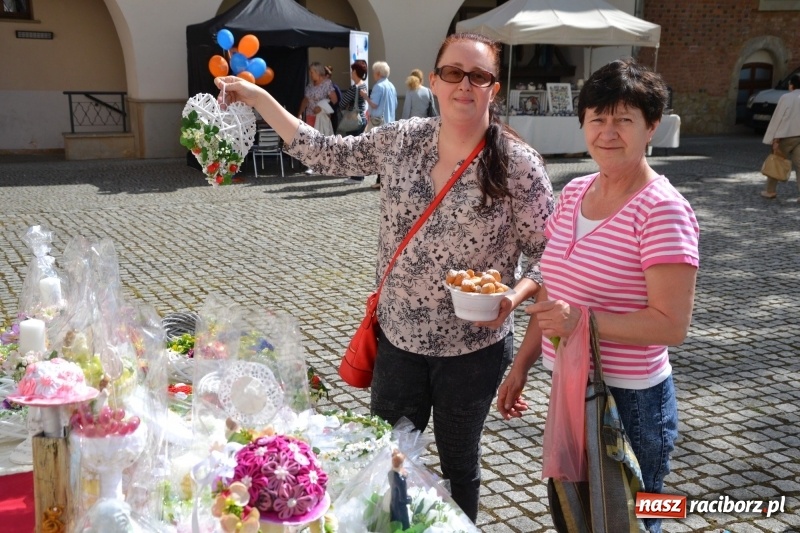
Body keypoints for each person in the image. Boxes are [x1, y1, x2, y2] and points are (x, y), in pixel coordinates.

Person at [214, 31, 553, 522]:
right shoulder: (402, 140)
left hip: (473, 349)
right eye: (454, 73)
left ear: (493, 89)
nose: (465, 85)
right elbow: (324, 151)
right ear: (435, 81)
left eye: (479, 76)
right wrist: (259, 96)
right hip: (399, 338)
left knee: (460, 462)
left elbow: (553, 253)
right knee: (388, 458)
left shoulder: (517, 164)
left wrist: (514, 295)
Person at [497, 58, 699, 533]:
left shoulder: (662, 210)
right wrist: (522, 365)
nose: (608, 132)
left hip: (630, 401)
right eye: (597, 119)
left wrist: (582, 322)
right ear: (583, 124)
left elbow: (672, 324)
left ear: (651, 127)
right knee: (578, 514)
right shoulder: (575, 191)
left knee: (635, 518)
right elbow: (553, 289)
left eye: (624, 119)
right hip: (570, 384)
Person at [760, 73, 800, 199]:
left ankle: (770, 191)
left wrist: (774, 139)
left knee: (776, 161)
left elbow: (778, 118)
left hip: (786, 136)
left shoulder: (786, 97)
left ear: (791, 85)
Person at [360, 61, 397, 189]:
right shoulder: (391, 86)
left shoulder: (378, 86)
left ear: (378, 73)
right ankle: (384, 179)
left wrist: (365, 96)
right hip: (390, 121)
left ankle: (380, 180)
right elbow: (395, 104)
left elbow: (374, 104)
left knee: (378, 151)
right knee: (386, 152)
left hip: (378, 123)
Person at [297, 62, 338, 173]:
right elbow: (306, 100)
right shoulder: (310, 86)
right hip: (310, 116)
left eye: (312, 72)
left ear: (318, 72)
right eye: (310, 72)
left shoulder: (327, 84)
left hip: (321, 117)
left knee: (323, 141)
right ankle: (312, 165)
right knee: (311, 141)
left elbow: (334, 100)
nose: (310, 74)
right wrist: (300, 113)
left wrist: (322, 107)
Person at [337, 59, 369, 183]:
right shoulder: (363, 85)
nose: (351, 73)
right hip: (362, 119)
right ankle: (359, 174)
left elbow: (342, 103)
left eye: (352, 71)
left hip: (354, 121)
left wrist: (346, 106)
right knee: (359, 147)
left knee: (354, 148)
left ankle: (356, 176)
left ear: (355, 71)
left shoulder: (354, 88)